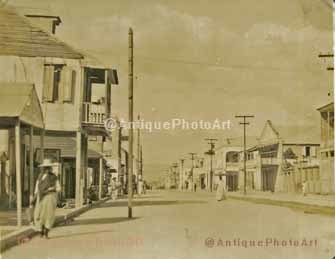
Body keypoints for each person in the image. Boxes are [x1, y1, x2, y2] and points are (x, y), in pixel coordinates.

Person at [34, 158, 61, 239]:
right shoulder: (40, 176)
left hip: (50, 197)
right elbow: (36, 188)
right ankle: (41, 231)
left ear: (50, 168)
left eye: (48, 167)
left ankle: (46, 232)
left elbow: (58, 188)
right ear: (43, 168)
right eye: (45, 168)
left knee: (49, 215)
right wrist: (34, 197)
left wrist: (51, 189)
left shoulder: (54, 177)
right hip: (41, 197)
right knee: (39, 215)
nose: (46, 169)